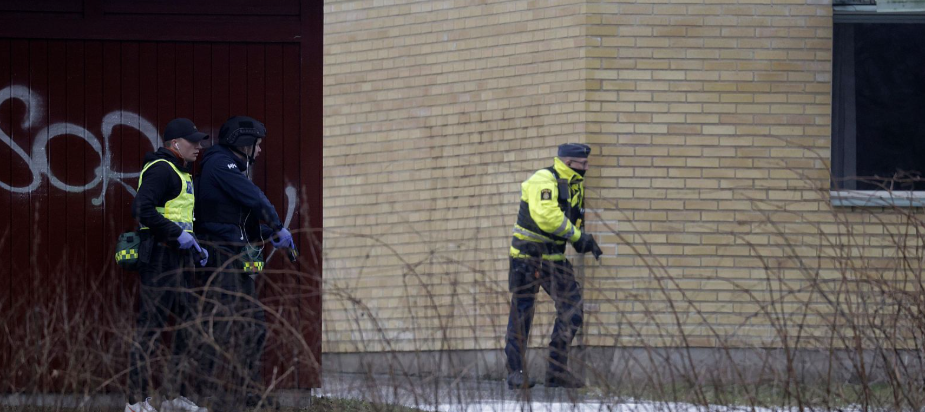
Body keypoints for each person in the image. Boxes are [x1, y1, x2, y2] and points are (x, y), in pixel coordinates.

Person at [194, 115, 294, 410]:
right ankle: (215, 396)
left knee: (251, 325)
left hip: (232, 254)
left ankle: (248, 394)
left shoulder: (227, 167)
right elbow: (254, 198)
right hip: (220, 256)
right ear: (244, 142)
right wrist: (277, 225)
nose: (260, 150)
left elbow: (234, 218)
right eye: (257, 144)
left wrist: (266, 233)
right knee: (226, 326)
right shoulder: (219, 164)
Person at [504, 143, 603, 390]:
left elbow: (571, 219)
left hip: (554, 258)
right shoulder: (544, 179)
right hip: (527, 257)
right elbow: (547, 217)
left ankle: (556, 372)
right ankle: (515, 372)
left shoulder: (574, 185)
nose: (587, 168)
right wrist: (577, 237)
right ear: (569, 163)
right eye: (583, 164)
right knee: (522, 314)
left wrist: (582, 240)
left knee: (572, 309)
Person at [127, 118, 209, 412]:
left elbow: (179, 217)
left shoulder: (180, 171)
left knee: (187, 327)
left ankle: (176, 397)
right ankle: (135, 403)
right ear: (175, 143)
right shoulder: (162, 169)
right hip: (160, 257)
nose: (198, 146)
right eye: (192, 141)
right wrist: (176, 235)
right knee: (150, 329)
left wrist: (194, 245)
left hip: (179, 258)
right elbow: (141, 208)